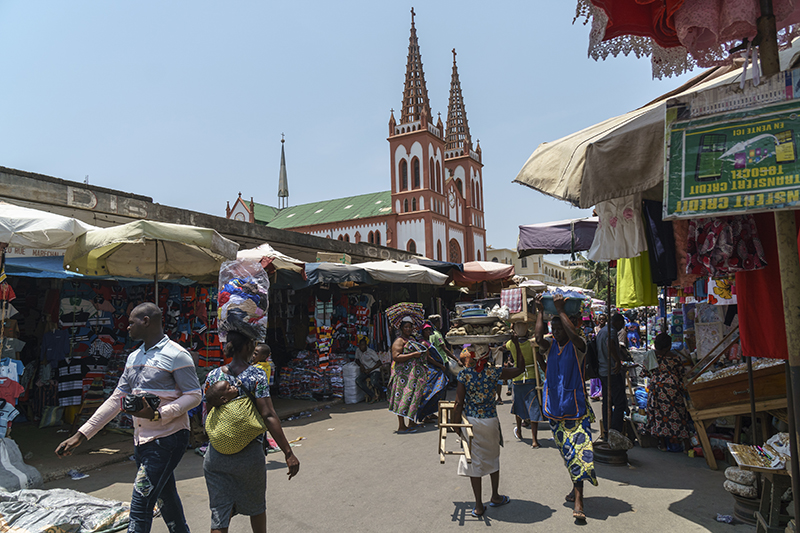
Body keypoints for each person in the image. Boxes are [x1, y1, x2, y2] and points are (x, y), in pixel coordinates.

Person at [55, 302, 202, 533]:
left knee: (140, 505)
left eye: (131, 322)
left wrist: (159, 413)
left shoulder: (177, 354)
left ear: (146, 321)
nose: (127, 327)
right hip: (141, 440)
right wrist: (82, 434)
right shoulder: (133, 357)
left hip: (168, 438)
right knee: (166, 497)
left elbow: (194, 395)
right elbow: (116, 399)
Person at [203, 329, 299, 533]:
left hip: (216, 456)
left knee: (219, 514)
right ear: (248, 347)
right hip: (249, 455)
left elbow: (209, 416)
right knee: (256, 507)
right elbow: (268, 415)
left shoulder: (213, 375)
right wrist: (288, 453)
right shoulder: (257, 375)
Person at [534, 294, 596, 523]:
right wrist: (541, 311)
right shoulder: (549, 346)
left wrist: (560, 311)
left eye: (561, 329)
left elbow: (576, 336)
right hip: (555, 409)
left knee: (580, 453)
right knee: (568, 453)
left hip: (576, 409)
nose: (557, 332)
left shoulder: (579, 346)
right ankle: (575, 488)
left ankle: (579, 500)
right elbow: (538, 337)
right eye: (555, 329)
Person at [452, 339, 525, 518]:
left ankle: (478, 505)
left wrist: (455, 425)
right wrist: (515, 345)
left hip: (471, 422)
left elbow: (458, 403)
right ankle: (495, 496)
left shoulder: (464, 375)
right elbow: (520, 369)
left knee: (473, 462)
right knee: (493, 458)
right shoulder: (494, 372)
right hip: (490, 421)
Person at [642, 333, 692, 451]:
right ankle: (686, 445)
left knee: (659, 416)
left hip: (656, 388)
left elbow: (645, 372)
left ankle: (663, 444)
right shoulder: (675, 357)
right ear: (669, 345)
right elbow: (681, 373)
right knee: (679, 414)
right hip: (673, 388)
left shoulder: (650, 355)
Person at [505, 322, 544, 448]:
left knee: (518, 405)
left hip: (517, 377)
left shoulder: (511, 344)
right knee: (533, 406)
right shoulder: (532, 344)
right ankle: (534, 439)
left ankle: (520, 431)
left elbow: (504, 346)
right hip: (532, 377)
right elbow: (539, 358)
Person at [388, 316, 428, 433]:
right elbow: (396, 357)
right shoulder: (399, 341)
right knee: (401, 398)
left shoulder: (411, 339)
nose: (408, 329)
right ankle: (401, 426)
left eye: (410, 327)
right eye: (406, 327)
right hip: (402, 376)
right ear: (401, 328)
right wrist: (413, 355)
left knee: (414, 398)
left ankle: (411, 422)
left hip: (412, 376)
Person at [596, 313, 627, 434]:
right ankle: (615, 430)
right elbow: (610, 345)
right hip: (611, 371)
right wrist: (618, 362)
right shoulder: (611, 331)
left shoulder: (602, 331)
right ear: (618, 322)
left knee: (607, 401)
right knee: (619, 403)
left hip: (603, 371)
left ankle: (607, 428)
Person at [355, 336, 383, 403]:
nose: (361, 347)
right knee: (358, 381)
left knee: (374, 382)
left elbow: (379, 363)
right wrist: (361, 365)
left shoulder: (371, 352)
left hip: (374, 370)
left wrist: (370, 370)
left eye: (363, 345)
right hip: (365, 370)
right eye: (360, 345)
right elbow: (356, 360)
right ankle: (372, 395)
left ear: (366, 345)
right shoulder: (358, 351)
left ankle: (383, 393)